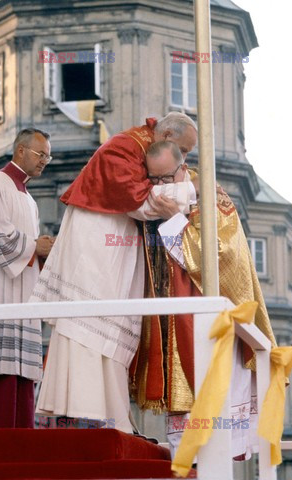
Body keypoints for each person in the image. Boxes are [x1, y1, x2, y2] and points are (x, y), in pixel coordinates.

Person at [30, 113, 198, 433]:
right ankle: (88, 412)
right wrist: (189, 191)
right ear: (167, 135)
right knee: (91, 321)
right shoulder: (122, 148)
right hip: (96, 243)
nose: (184, 160)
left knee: (115, 325)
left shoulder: (144, 147)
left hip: (115, 243)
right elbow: (146, 203)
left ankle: (113, 415)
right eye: (185, 150)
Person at [131, 140, 277, 459]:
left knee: (217, 431)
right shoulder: (157, 201)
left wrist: (172, 220)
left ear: (183, 168)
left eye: (165, 180)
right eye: (152, 181)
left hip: (215, 323)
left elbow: (217, 257)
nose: (159, 188)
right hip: (173, 321)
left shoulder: (211, 195)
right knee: (187, 441)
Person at [0, 128, 55, 427]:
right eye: (41, 154)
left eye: (48, 157)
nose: (45, 161)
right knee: (1, 371)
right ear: (21, 151)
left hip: (23, 290)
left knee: (23, 374)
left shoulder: (29, 198)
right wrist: (33, 245)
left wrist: (42, 249)